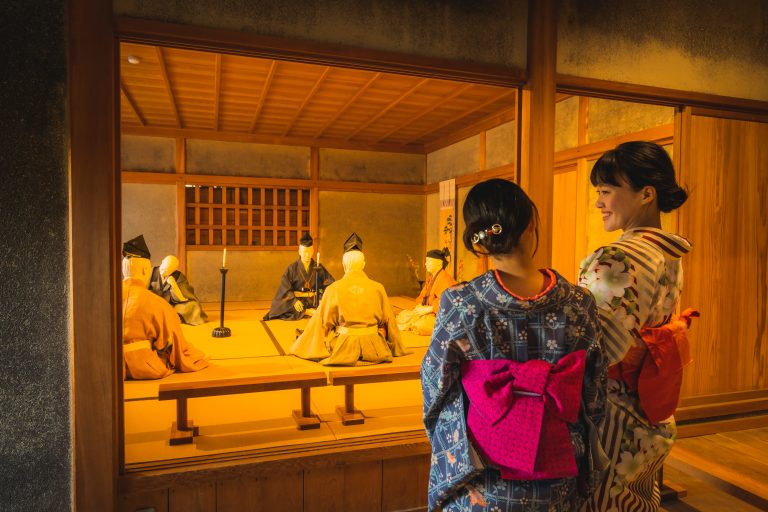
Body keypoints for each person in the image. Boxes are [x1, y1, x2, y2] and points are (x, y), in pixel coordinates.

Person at [421, 178, 607, 511]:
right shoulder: (579, 303)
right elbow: (594, 396)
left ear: (481, 243)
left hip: (485, 474)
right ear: (532, 224)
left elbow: (436, 386)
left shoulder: (462, 302)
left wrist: (450, 445)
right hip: (558, 472)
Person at [577, 141, 694, 512]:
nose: (599, 202)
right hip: (648, 413)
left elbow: (590, 342)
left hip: (614, 411)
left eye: (607, 191)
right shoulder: (667, 252)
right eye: (599, 191)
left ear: (646, 194)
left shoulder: (619, 256)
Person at [290, 232, 410, 366]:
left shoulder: (334, 289)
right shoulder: (378, 288)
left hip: (343, 348)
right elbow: (389, 321)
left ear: (343, 264)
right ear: (363, 264)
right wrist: (395, 346)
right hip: (375, 348)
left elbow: (321, 322)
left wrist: (304, 342)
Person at [122, 255, 209, 379]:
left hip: (107, 361)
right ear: (145, 270)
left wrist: (173, 286)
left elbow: (183, 296)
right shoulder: (157, 302)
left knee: (190, 307)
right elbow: (173, 341)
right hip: (144, 364)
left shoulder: (104, 296)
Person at [263, 232, 335, 320]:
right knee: (280, 307)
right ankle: (307, 311)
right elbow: (285, 287)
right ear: (299, 252)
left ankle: (309, 311)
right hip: (298, 301)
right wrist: (294, 301)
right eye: (304, 252)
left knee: (331, 306)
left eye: (309, 252)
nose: (307, 255)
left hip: (314, 301)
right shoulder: (292, 268)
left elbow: (330, 284)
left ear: (313, 251)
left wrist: (321, 297)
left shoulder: (318, 267)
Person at [396, 248, 456, 335]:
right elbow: (421, 296)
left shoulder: (445, 279)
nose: (425, 264)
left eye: (428, 261)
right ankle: (416, 322)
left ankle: (418, 324)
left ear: (439, 263)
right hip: (427, 313)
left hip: (440, 315)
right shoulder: (431, 279)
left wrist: (430, 309)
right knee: (403, 316)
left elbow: (448, 302)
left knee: (421, 325)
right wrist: (420, 305)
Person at [149, 255, 208, 326]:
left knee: (193, 305)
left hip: (171, 304)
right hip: (154, 302)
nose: (163, 272)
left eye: (167, 271)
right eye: (162, 269)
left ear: (174, 270)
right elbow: (142, 288)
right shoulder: (151, 272)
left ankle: (172, 316)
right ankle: (170, 316)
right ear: (162, 262)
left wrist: (174, 285)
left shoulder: (178, 276)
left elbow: (183, 298)